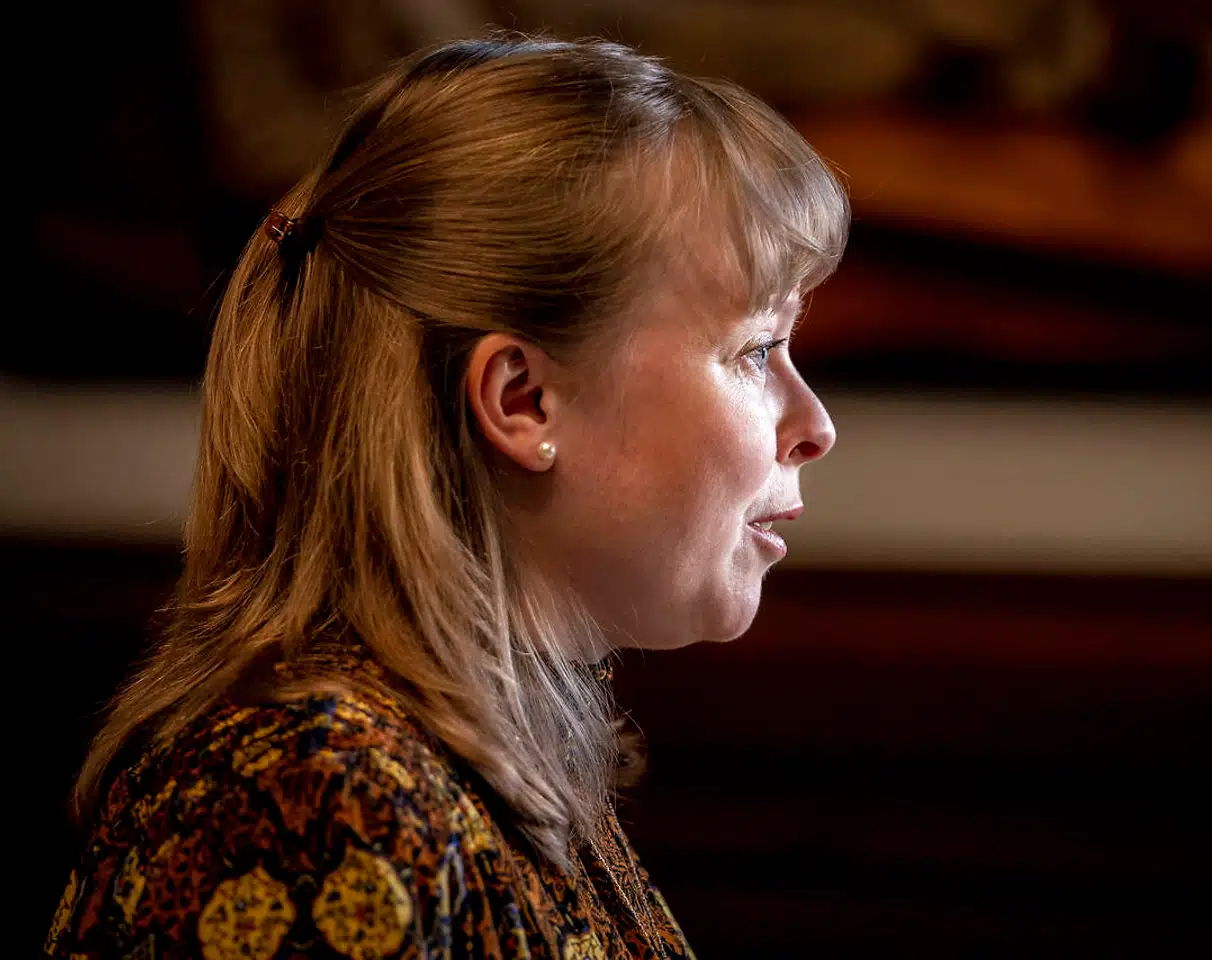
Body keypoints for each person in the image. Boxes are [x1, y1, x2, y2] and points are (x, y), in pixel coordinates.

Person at [44, 35, 844, 959]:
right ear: (521, 400)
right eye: (755, 350)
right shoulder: (320, 803)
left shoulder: (477, 751)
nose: (815, 425)